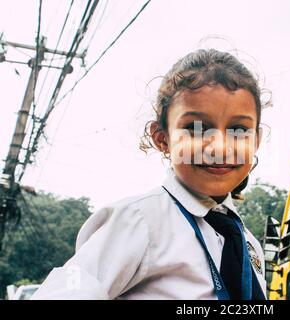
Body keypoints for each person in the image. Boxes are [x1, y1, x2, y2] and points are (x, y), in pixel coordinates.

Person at [32, 49, 269, 300]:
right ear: (162, 138)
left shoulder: (248, 242)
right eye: (195, 128)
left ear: (257, 140)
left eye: (239, 129)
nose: (219, 146)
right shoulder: (139, 221)